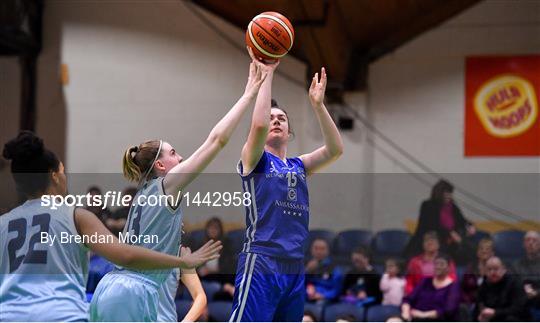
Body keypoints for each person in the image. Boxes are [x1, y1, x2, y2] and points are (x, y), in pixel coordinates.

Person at [89, 60, 267, 321]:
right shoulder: (167, 184)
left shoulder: (143, 194)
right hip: (134, 290)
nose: (181, 157)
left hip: (110, 287)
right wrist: (249, 94)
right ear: (160, 165)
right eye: (173, 153)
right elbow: (217, 140)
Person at [0, 131, 221, 322]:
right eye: (64, 171)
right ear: (54, 176)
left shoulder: (2, 224)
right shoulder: (75, 216)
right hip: (62, 314)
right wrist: (181, 261)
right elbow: (125, 256)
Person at [229, 48, 344, 321]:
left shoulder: (298, 165)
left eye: (282, 118)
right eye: (271, 118)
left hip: (294, 266)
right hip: (261, 260)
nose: (276, 120)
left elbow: (335, 149)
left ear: (289, 131)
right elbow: (257, 127)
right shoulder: (254, 158)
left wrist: (318, 105)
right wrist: (267, 75)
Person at [405, 180, 476, 264]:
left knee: (469, 249)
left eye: (450, 194)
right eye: (446, 194)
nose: (449, 196)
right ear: (439, 194)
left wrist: (470, 226)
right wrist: (450, 233)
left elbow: (462, 220)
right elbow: (431, 225)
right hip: (430, 240)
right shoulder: (428, 205)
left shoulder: (452, 206)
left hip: (449, 242)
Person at [401, 254, 461, 321]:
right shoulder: (425, 281)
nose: (438, 267)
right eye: (436, 264)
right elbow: (408, 299)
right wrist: (405, 313)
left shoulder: (453, 286)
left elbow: (448, 311)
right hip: (415, 318)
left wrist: (423, 315)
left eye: (442, 264)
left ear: (448, 268)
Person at [476, 256, 530, 321]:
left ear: (504, 269)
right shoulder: (484, 285)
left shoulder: (515, 283)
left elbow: (519, 309)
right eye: (489, 269)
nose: (492, 272)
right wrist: (480, 316)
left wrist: (495, 312)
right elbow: (479, 306)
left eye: (496, 269)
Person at [305, 238, 344, 303]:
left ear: (327, 251)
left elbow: (337, 290)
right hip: (307, 296)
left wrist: (322, 295)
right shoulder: (305, 265)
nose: (319, 252)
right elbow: (298, 285)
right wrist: (307, 271)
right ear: (311, 250)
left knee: (319, 303)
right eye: (316, 248)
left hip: (324, 298)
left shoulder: (334, 268)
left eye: (322, 249)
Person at [512, 230, 540, 316]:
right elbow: (513, 285)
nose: (530, 243)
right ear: (524, 244)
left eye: (534, 240)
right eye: (528, 240)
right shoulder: (516, 265)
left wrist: (537, 293)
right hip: (522, 303)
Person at [461, 238, 494, 305]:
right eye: (481, 249)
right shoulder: (470, 268)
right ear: (477, 252)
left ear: (492, 253)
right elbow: (464, 289)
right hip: (472, 303)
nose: (484, 251)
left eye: (487, 249)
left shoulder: (496, 269)